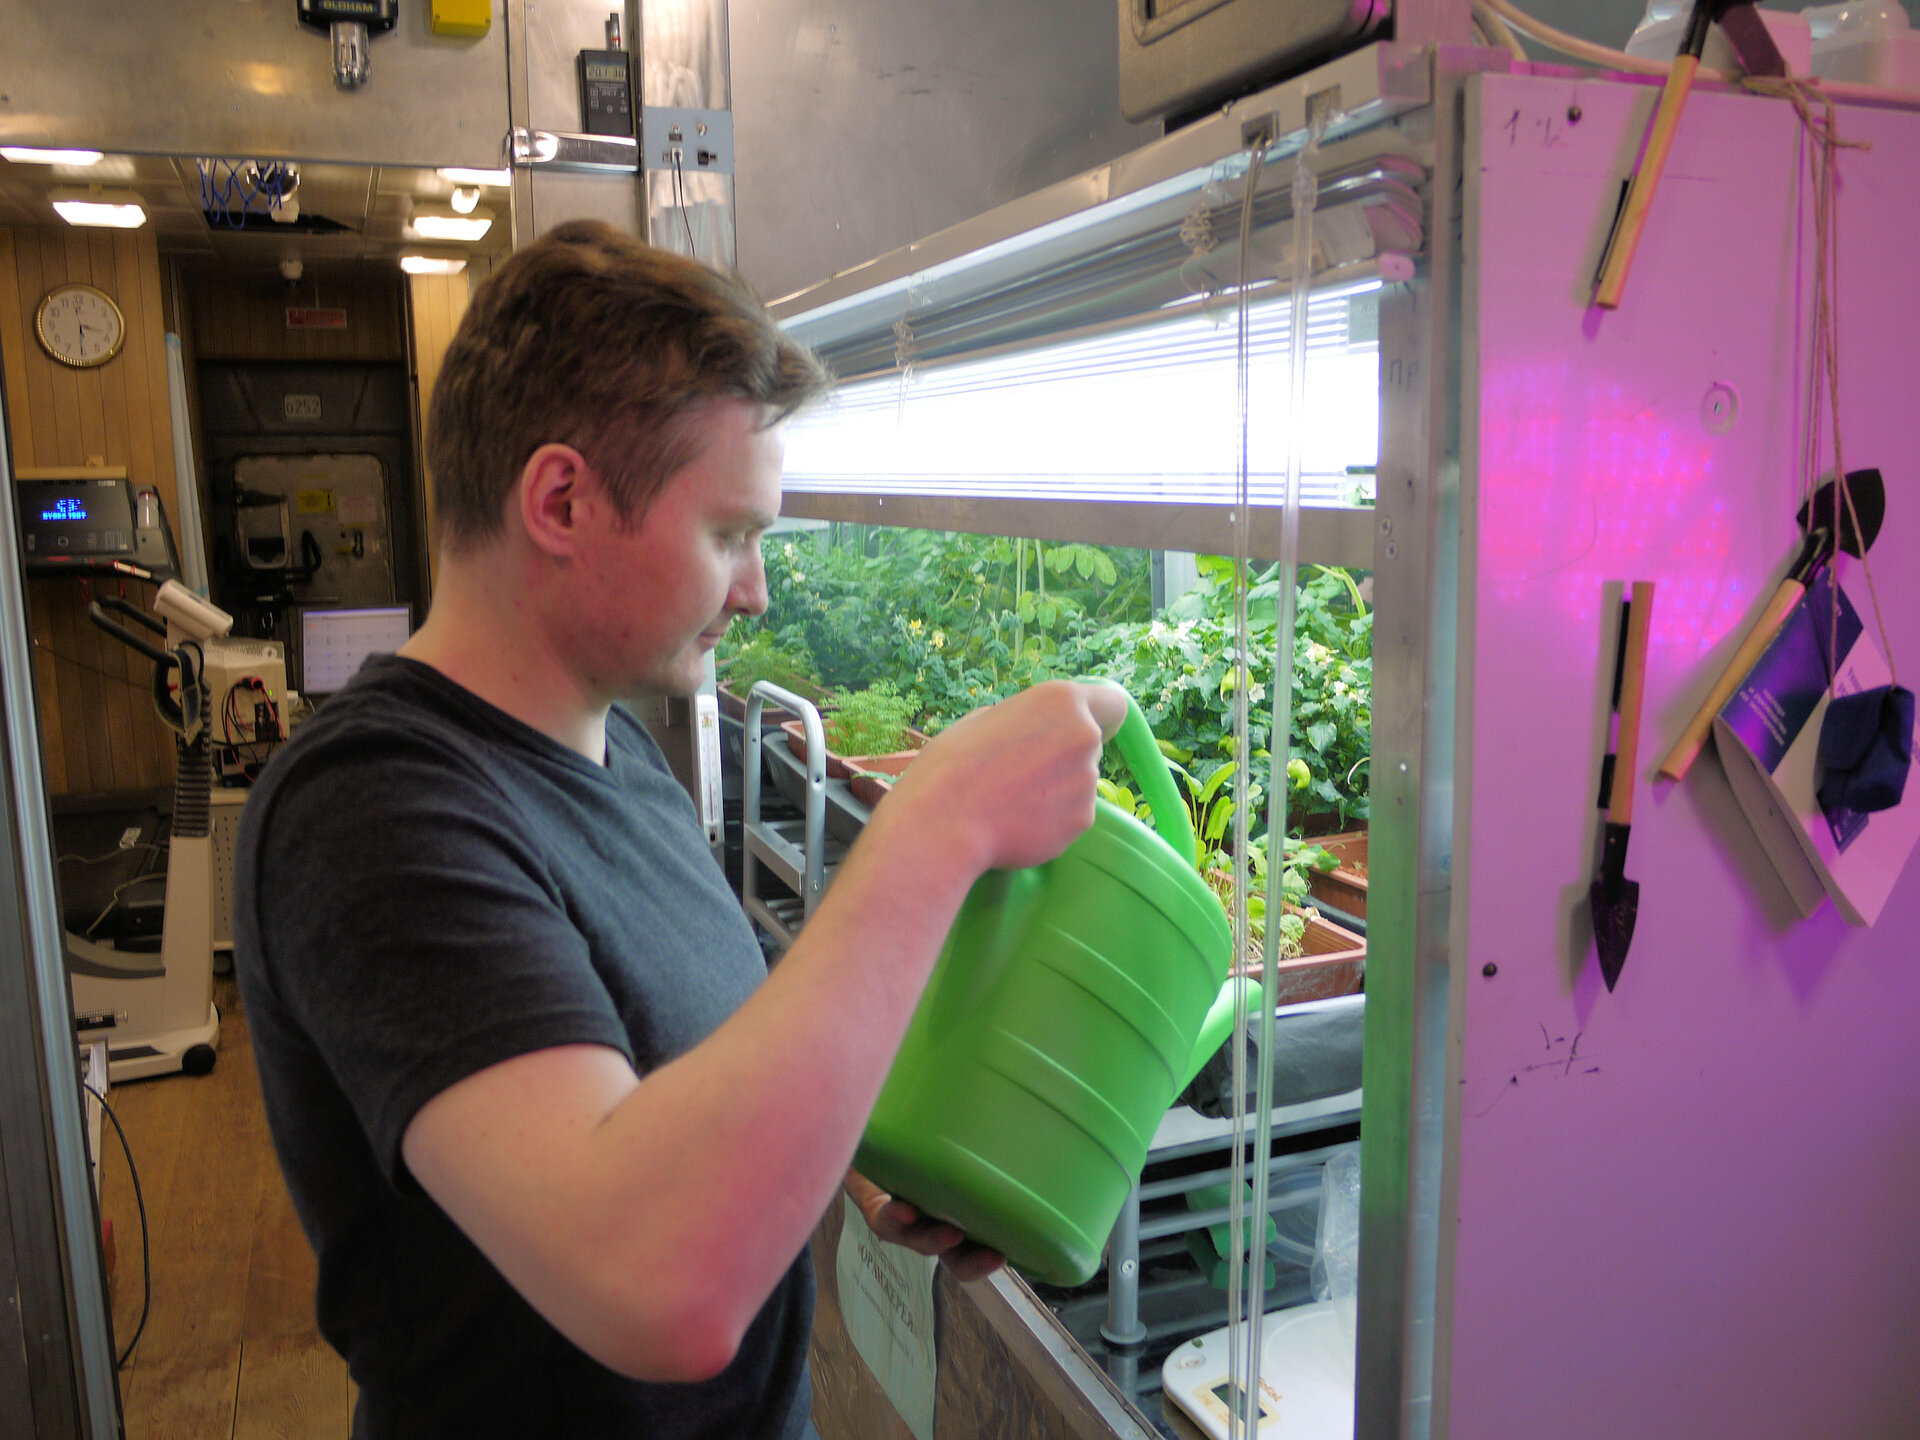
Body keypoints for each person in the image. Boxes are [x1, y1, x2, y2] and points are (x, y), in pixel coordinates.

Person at [233, 218, 1126, 1440]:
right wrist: (939, 821)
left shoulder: (617, 755)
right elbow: (656, 1290)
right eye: (728, 533)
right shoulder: (372, 810)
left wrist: (882, 1149)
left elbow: (706, 1048)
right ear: (561, 500)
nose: (755, 587)